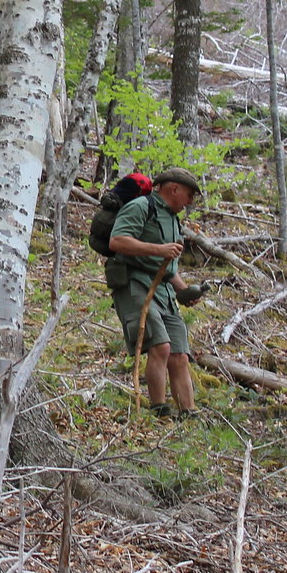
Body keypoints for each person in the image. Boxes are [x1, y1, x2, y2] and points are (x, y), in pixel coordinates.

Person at [106, 167, 206, 418]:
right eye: (190, 194)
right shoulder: (141, 206)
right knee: (160, 346)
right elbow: (117, 241)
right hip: (134, 284)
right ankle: (159, 410)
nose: (191, 201)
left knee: (180, 355)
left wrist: (184, 291)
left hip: (163, 291)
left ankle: (189, 413)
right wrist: (158, 249)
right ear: (174, 189)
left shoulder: (173, 219)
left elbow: (168, 267)